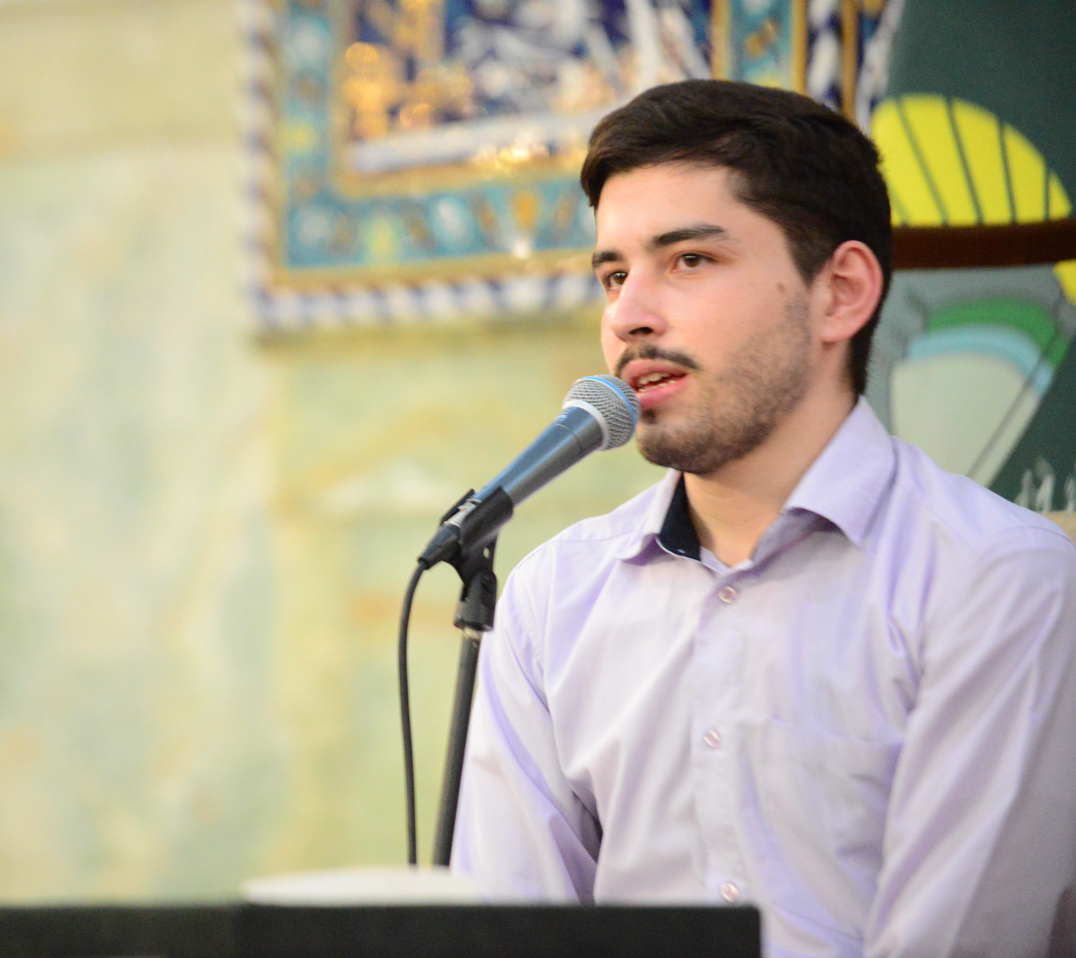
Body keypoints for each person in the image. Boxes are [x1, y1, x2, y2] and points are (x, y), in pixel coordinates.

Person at [449, 80, 1076, 958]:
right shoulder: (553, 597)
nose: (628, 316)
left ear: (841, 292)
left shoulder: (997, 579)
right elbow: (510, 929)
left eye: (689, 261)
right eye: (614, 275)